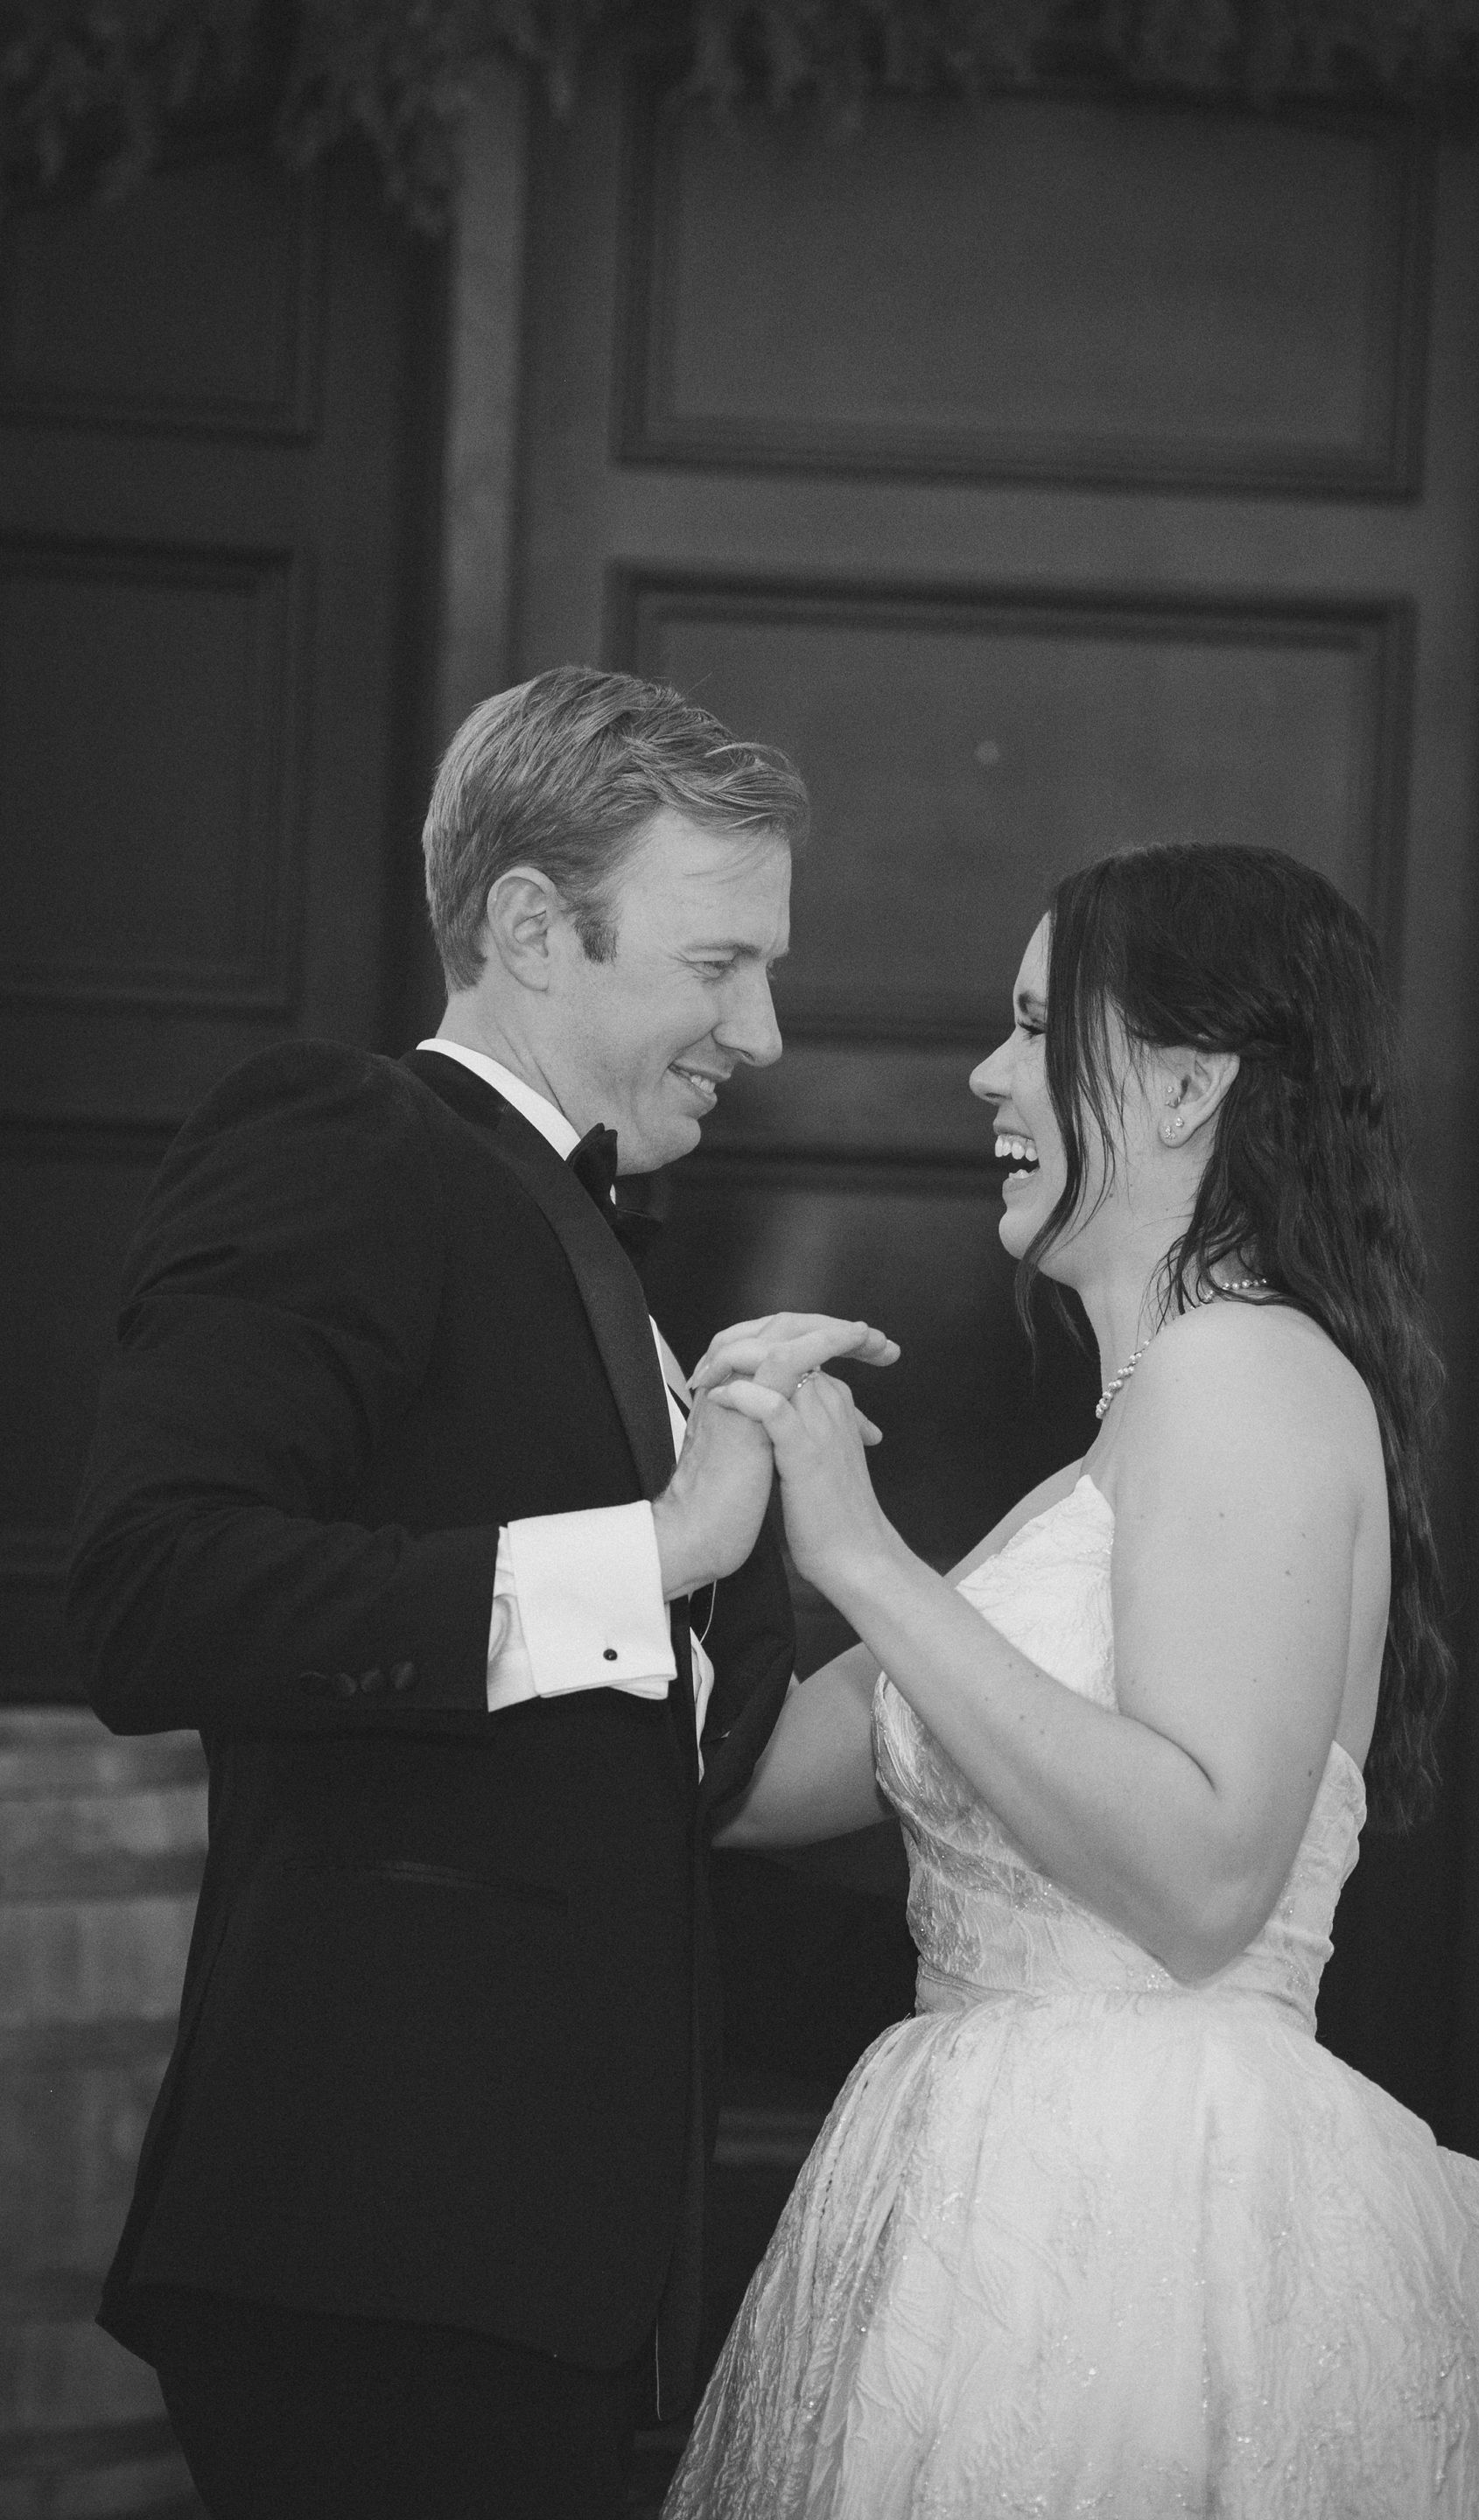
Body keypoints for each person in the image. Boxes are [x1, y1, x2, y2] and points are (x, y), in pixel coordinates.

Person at [665, 842, 1479, 2518]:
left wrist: (869, 1556)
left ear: (1185, 1089)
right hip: (986, 2206)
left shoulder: (1242, 1374)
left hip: (1156, 2223)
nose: (985, 1073)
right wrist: (724, 1492)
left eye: (1037, 1027)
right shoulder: (1106, 1461)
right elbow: (752, 1783)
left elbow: (1203, 1876)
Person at [66, 666, 895, 2520]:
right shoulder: (342, 1144)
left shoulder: (580, 1230)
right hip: (379, 2243)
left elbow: (653, 1768)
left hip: (526, 2269)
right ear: (532, 924)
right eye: (712, 966)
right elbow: (149, 1591)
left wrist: (762, 1510)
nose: (758, 1030)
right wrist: (657, 1550)